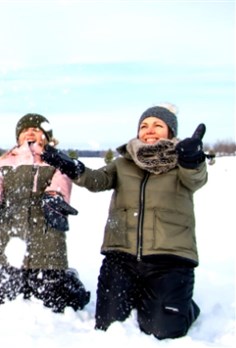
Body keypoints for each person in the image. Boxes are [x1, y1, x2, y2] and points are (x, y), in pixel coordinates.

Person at [41, 104, 207, 339]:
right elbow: (98, 180)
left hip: (169, 259)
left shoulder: (183, 162)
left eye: (157, 125)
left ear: (171, 131)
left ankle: (184, 305)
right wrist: (71, 166)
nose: (149, 130)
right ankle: (141, 293)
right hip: (121, 255)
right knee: (107, 326)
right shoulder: (123, 163)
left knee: (163, 330)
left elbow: (196, 179)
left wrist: (192, 160)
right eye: (144, 126)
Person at [0, 113, 90, 312]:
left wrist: (54, 198)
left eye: (36, 130)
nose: (30, 133)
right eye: (25, 130)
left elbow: (61, 184)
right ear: (18, 136)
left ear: (47, 136)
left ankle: (68, 280)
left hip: (47, 242)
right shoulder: (4, 161)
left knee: (50, 302)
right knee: (7, 299)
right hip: (10, 242)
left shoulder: (57, 160)